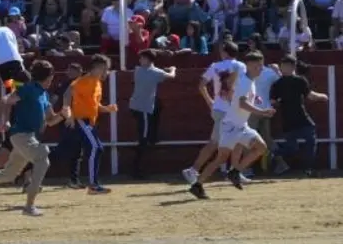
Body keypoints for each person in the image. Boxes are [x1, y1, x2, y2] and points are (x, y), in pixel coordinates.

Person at [0, 59, 63, 217]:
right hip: (21, 135)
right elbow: (6, 100)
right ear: (48, 77)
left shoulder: (43, 94)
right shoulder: (29, 88)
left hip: (28, 137)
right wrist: (2, 119)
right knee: (42, 159)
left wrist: (63, 114)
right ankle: (29, 206)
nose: (52, 80)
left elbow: (51, 120)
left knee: (10, 173)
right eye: (51, 76)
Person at [188, 50, 274, 199]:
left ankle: (235, 171)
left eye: (261, 65)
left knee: (261, 147)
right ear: (248, 66)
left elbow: (239, 97)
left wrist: (255, 99)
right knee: (221, 158)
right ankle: (198, 185)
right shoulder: (245, 82)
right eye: (257, 66)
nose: (260, 69)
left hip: (241, 125)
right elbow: (242, 103)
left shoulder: (249, 80)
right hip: (231, 126)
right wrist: (261, 111)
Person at [182, 41, 242, 185]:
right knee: (218, 142)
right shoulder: (240, 66)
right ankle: (193, 169)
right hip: (231, 110)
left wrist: (210, 101)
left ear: (224, 52)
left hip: (220, 108)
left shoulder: (215, 66)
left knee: (235, 140)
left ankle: (234, 172)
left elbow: (201, 85)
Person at [58, 54, 117, 193]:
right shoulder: (84, 81)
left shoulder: (97, 83)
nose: (107, 72)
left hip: (88, 121)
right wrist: (68, 113)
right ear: (98, 68)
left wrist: (106, 108)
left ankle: (93, 183)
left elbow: (94, 105)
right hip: (80, 119)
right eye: (105, 69)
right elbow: (67, 94)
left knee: (96, 148)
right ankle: (93, 185)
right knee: (95, 148)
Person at [269, 56, 326, 176]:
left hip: (288, 119)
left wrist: (280, 103)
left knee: (293, 148)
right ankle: (308, 168)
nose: (284, 68)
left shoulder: (277, 84)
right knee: (309, 142)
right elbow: (310, 96)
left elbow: (273, 102)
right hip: (300, 117)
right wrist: (323, 96)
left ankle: (274, 153)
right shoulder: (300, 80)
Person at [128, 49, 176, 178]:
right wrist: (173, 69)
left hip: (137, 107)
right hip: (143, 108)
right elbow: (172, 76)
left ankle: (138, 166)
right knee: (144, 139)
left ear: (148, 60)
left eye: (142, 58)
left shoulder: (138, 70)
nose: (140, 60)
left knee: (145, 136)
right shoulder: (155, 73)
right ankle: (137, 169)